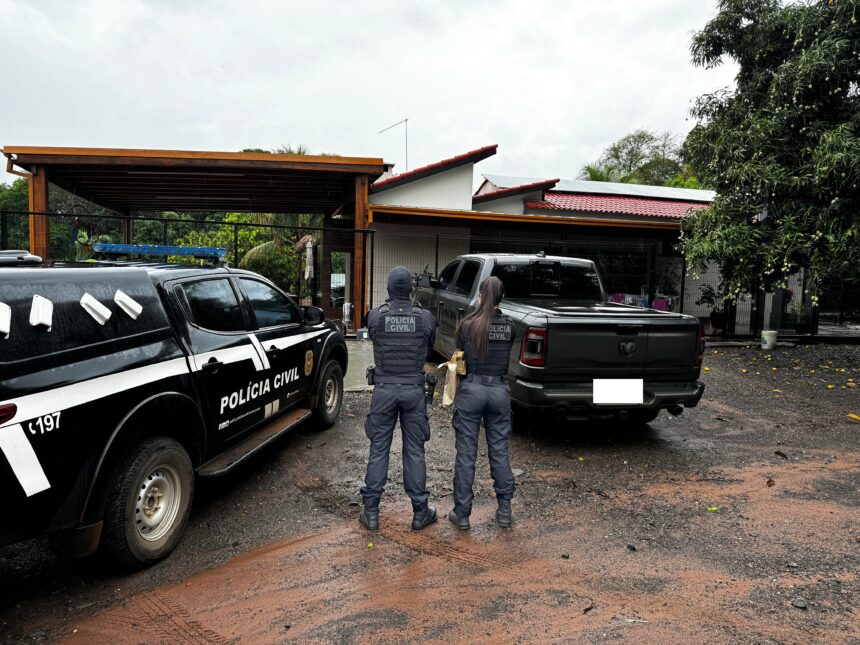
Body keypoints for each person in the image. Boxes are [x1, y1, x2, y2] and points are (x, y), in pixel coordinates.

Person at [360, 266, 437, 531]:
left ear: (389, 289)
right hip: (413, 391)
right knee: (415, 451)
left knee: (378, 449)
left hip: (383, 391)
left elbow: (373, 337)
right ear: (410, 290)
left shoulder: (375, 317)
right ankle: (420, 512)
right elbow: (429, 348)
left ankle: (371, 513)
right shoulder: (425, 318)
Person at [448, 276, 516, 530]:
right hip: (498, 392)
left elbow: (461, 358)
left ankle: (462, 514)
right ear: (500, 298)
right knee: (499, 450)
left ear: (481, 296)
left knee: (466, 454)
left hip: (472, 391)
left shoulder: (467, 325)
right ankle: (505, 510)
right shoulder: (510, 326)